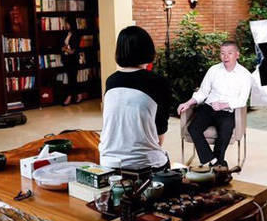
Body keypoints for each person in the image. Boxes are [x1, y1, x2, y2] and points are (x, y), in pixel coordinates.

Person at [99, 26, 172, 171]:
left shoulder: (111, 81)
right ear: (148, 49)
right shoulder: (158, 82)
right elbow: (160, 131)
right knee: (163, 158)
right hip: (145, 166)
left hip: (108, 163)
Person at [177, 41, 252, 173]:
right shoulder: (213, 70)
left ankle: (217, 163)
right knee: (193, 128)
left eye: (229, 53)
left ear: (237, 55)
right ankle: (215, 162)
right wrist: (188, 103)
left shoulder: (245, 75)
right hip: (208, 107)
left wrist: (224, 104)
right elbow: (203, 92)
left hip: (227, 111)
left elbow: (242, 100)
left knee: (225, 131)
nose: (225, 56)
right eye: (222, 53)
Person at [60, 15, 81, 105]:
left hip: (73, 60)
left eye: (67, 23)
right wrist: (64, 49)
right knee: (71, 79)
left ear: (71, 24)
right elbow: (62, 45)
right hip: (66, 59)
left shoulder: (76, 34)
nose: (66, 25)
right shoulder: (66, 33)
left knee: (72, 79)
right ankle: (78, 95)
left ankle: (69, 97)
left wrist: (65, 49)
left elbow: (73, 51)